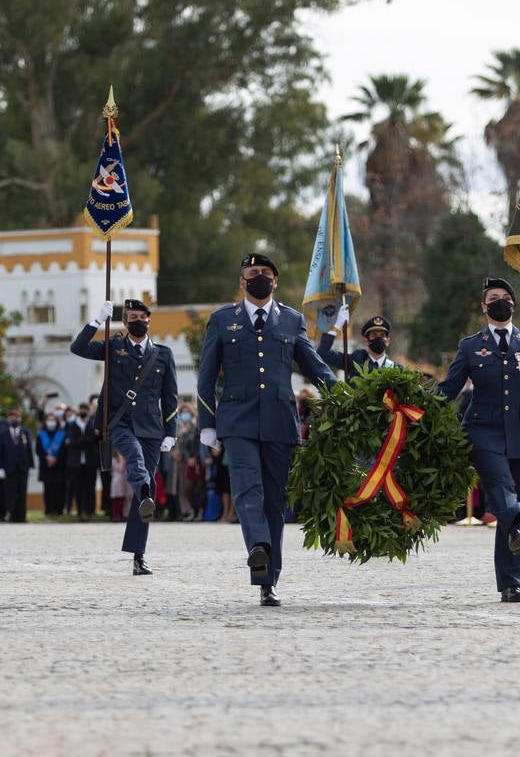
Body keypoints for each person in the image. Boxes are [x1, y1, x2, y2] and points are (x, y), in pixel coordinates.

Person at [197, 252, 336, 606]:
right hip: (237, 421)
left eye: (264, 273)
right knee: (248, 489)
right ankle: (258, 545)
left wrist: (344, 392)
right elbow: (206, 376)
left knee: (274, 502)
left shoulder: (291, 320)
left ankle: (267, 579)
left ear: (274, 281)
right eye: (251, 273)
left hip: (279, 420)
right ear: (242, 281)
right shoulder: (222, 319)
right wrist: (207, 423)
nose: (258, 277)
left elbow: (313, 365)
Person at [440, 277, 520, 601]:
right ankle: (511, 522)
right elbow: (448, 389)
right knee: (502, 489)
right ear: (483, 306)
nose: (499, 301)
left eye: (505, 297)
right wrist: (415, 409)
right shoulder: (469, 345)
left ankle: (511, 583)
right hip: (483, 429)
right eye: (493, 297)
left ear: (514, 304)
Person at [71, 298, 179, 572]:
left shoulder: (163, 354)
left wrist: (171, 432)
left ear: (149, 320)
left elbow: (170, 397)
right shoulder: (113, 346)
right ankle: (143, 486)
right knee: (134, 459)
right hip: (119, 422)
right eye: (130, 316)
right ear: (124, 322)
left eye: (141, 316)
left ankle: (138, 556)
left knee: (145, 497)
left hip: (152, 428)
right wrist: (96, 321)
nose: (136, 320)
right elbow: (78, 348)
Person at [317, 307, 398, 375]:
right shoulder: (355, 360)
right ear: (366, 341)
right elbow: (323, 353)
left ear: (388, 341)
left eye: (382, 335)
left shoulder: (396, 369)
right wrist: (337, 326)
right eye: (374, 335)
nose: (378, 338)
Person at [2, 409, 34, 522]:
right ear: (8, 419)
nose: (14, 419)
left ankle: (22, 515)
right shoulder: (4, 433)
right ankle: (11, 514)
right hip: (9, 467)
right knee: (10, 492)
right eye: (12, 417)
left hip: (23, 467)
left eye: (17, 417)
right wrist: (0, 467)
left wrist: (31, 466)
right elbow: (0, 451)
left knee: (22, 492)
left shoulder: (25, 432)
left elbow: (29, 450)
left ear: (20, 419)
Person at [35, 410, 68, 518]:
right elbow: (38, 450)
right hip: (46, 466)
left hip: (59, 466)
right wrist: (47, 457)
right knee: (48, 489)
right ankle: (48, 510)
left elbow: (65, 449)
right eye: (49, 420)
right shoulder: (41, 434)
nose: (51, 422)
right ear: (45, 422)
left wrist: (56, 458)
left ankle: (59, 510)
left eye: (53, 420)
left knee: (59, 489)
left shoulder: (62, 434)